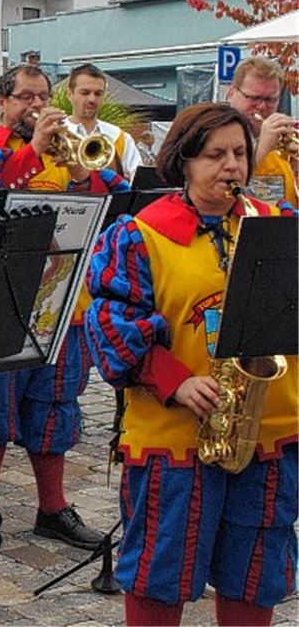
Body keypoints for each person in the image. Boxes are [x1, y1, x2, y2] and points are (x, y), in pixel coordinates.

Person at [84, 102, 297, 626]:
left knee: (256, 570)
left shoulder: (278, 226)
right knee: (162, 567)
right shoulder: (139, 235)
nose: (232, 167)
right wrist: (175, 382)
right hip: (175, 434)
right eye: (216, 155)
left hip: (269, 432)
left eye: (241, 154)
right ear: (184, 162)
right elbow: (109, 324)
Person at [0, 64, 129, 551]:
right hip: (0, 304)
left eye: (42, 96)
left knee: (56, 406)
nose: (35, 106)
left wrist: (76, 170)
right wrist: (30, 153)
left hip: (61, 304)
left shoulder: (74, 152)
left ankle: (53, 508)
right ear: (3, 102)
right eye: (24, 97)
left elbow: (116, 206)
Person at [226, 56, 297, 207]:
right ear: (231, 94)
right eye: (254, 98)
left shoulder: (285, 139)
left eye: (270, 99)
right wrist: (262, 148)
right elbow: (222, 190)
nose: (262, 107)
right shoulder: (215, 133)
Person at [63, 63, 143, 181]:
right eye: (85, 93)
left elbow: (137, 180)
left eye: (98, 94)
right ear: (69, 94)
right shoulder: (55, 132)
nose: (92, 99)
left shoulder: (120, 138)